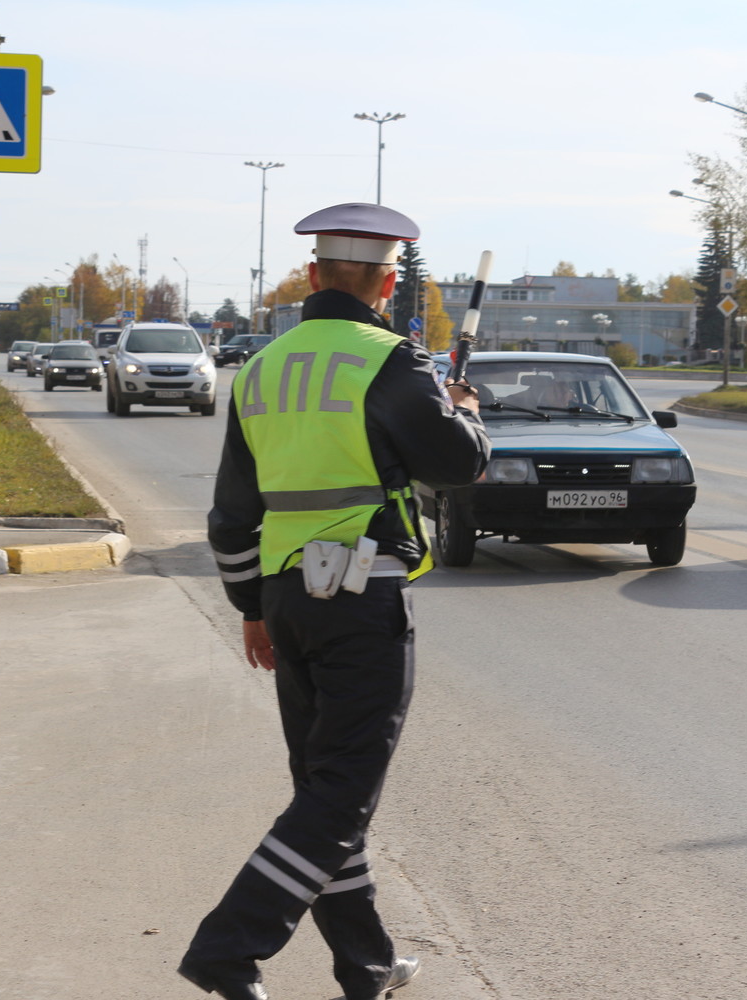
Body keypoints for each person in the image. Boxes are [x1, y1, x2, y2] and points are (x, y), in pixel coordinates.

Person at [181, 203, 490, 1000]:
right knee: (341, 793)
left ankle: (368, 964)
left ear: (313, 276)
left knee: (324, 788)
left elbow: (230, 514)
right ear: (389, 285)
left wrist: (249, 607)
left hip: (285, 598)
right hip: (362, 598)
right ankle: (229, 946)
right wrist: (466, 412)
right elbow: (455, 465)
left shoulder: (260, 368)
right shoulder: (392, 360)